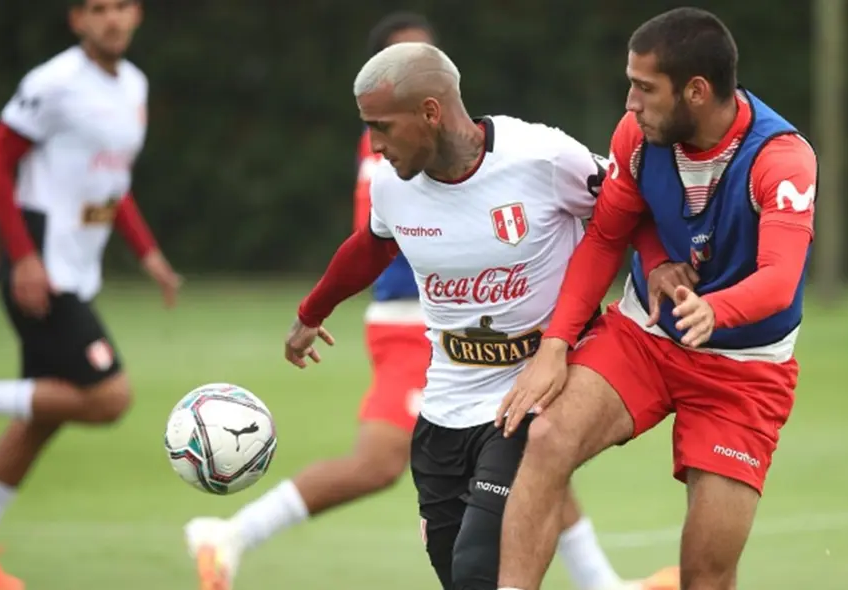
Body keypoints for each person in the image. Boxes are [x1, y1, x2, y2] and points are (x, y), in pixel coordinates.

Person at [280, 42, 679, 590]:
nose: (374, 144)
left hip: (528, 405)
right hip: (443, 413)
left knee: (479, 572)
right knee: (462, 576)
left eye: (382, 127)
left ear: (429, 112)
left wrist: (657, 264)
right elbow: (370, 247)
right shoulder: (392, 186)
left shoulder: (542, 157)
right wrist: (311, 313)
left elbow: (626, 208)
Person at [493, 7, 818, 590]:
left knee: (706, 568)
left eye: (644, 88)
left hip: (743, 372)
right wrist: (555, 347)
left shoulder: (781, 158)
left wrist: (717, 309)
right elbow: (603, 239)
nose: (630, 104)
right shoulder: (637, 139)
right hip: (645, 338)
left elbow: (780, 278)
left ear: (696, 91)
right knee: (546, 440)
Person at [0, 1, 180, 588]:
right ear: (77, 19)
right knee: (109, 398)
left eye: (122, 7)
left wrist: (147, 252)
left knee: (43, 413)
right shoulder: (51, 84)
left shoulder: (135, 84)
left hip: (77, 271)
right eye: (98, 9)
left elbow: (113, 181)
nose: (112, 19)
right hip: (41, 270)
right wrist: (22, 257)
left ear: (138, 15)